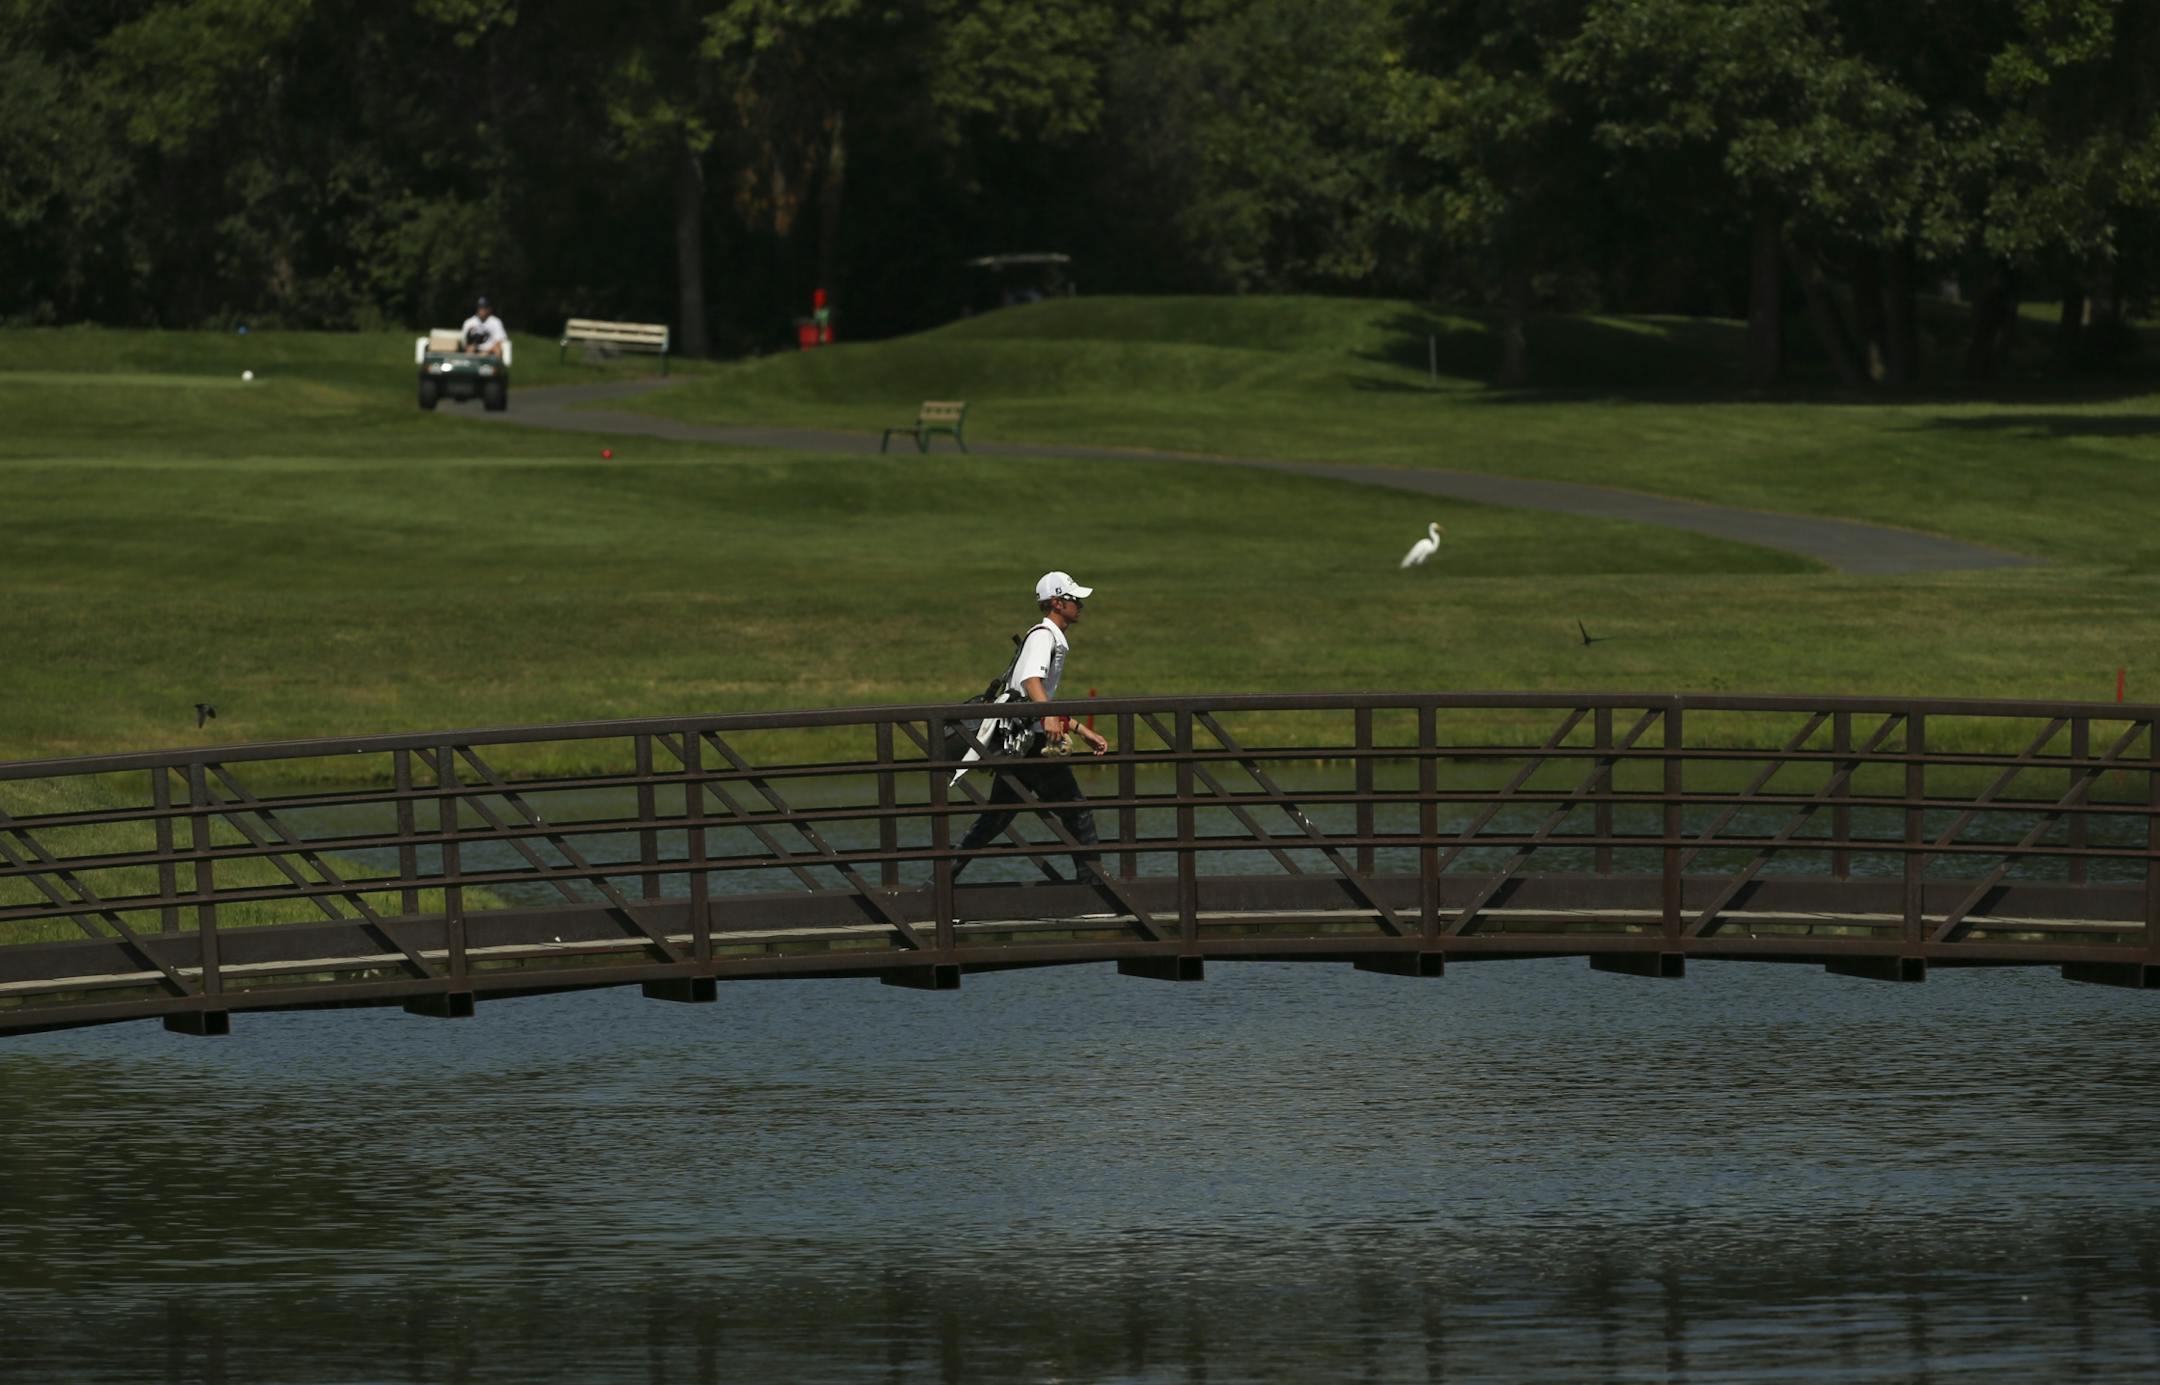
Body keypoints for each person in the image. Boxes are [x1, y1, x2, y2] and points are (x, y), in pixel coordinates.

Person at [954, 571, 1110, 883]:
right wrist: (1049, 717)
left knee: (996, 818)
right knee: (1076, 810)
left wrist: (1081, 730)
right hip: (1033, 744)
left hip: (1025, 741)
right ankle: (1094, 886)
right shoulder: (1044, 636)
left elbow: (1038, 695)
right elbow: (1031, 682)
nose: (1080, 604)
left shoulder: (1047, 635)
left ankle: (939, 881)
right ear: (1056, 602)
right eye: (1074, 599)